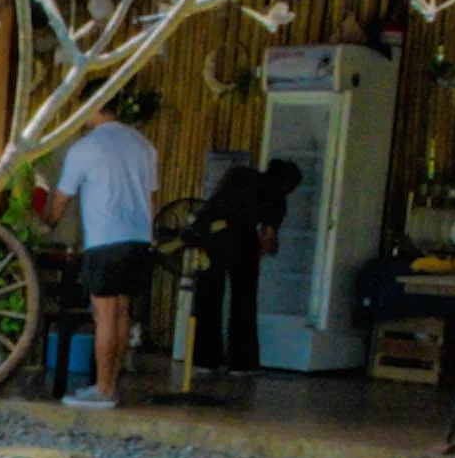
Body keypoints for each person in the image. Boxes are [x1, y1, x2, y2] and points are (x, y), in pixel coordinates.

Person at [44, 86, 161, 408]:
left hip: (105, 239)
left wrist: (48, 223)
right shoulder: (143, 145)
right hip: (138, 238)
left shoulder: (86, 147)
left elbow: (62, 197)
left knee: (105, 314)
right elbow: (152, 199)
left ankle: (103, 390)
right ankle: (112, 385)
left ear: (93, 106)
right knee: (122, 312)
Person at [188, 156, 299, 377]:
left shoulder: (238, 174)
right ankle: (241, 362)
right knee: (243, 300)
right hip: (242, 240)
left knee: (208, 298)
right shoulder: (276, 192)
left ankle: (204, 359)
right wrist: (267, 249)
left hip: (208, 235)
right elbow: (268, 235)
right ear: (287, 184)